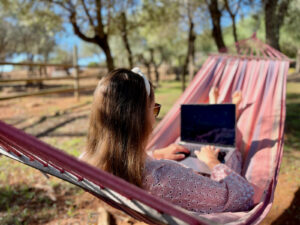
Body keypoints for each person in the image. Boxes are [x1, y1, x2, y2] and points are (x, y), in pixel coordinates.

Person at [82, 68, 254, 214]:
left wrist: (156, 154)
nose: (154, 118)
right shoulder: (166, 179)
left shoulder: (90, 164)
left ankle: (220, 111)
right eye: (154, 109)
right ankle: (228, 116)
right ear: (140, 119)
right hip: (204, 181)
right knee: (224, 151)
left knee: (185, 142)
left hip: (175, 174)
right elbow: (242, 197)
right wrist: (213, 163)